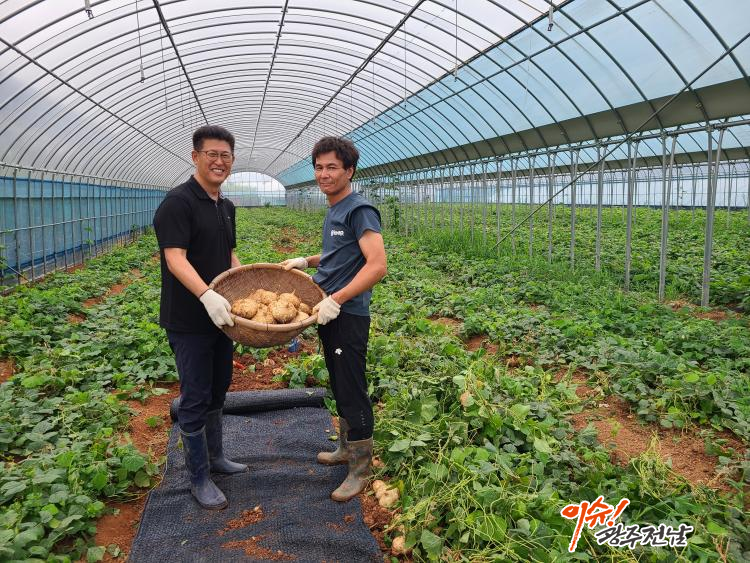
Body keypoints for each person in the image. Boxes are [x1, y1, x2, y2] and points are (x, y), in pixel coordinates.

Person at [280, 136, 387, 502]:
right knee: (339, 383)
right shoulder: (334, 208)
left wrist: (338, 299)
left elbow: (377, 265)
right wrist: (307, 261)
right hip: (328, 310)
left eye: (332, 168)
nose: (324, 174)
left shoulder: (359, 210)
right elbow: (339, 254)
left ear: (349, 171)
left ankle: (360, 469)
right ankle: (345, 448)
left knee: (352, 387)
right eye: (319, 167)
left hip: (347, 314)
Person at [153, 125, 247, 511]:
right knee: (195, 394)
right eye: (212, 154)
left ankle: (216, 457)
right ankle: (198, 477)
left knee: (219, 385)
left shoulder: (225, 206)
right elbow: (175, 258)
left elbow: (229, 256)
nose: (219, 162)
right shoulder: (178, 203)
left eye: (225, 155)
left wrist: (244, 291)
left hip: (221, 318)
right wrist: (207, 295)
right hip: (189, 319)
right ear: (195, 156)